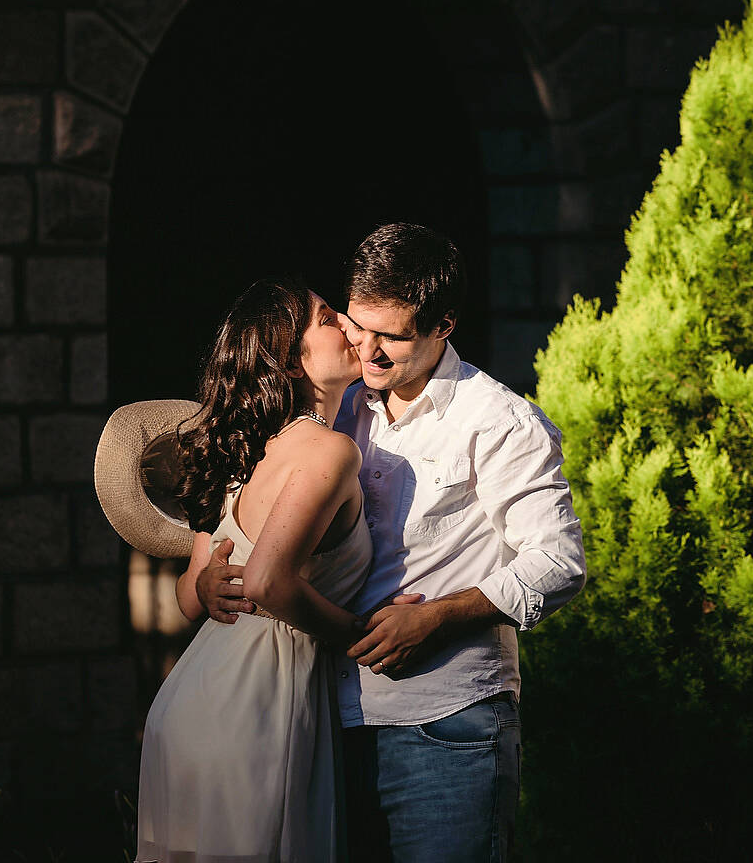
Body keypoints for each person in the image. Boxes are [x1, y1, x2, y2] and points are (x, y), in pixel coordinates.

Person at [199, 224, 588, 862]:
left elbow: (558, 562)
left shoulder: (499, 422)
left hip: (446, 721)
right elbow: (246, 483)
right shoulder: (336, 404)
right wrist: (213, 570)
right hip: (325, 717)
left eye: (393, 337)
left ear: (444, 326)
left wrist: (439, 617)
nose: (370, 352)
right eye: (358, 326)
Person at [94, 277, 372, 863]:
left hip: (192, 698)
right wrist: (361, 634)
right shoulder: (329, 451)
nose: (350, 324)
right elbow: (269, 582)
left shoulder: (238, 451)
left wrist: (206, 582)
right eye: (328, 319)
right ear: (290, 362)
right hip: (261, 703)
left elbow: (188, 599)